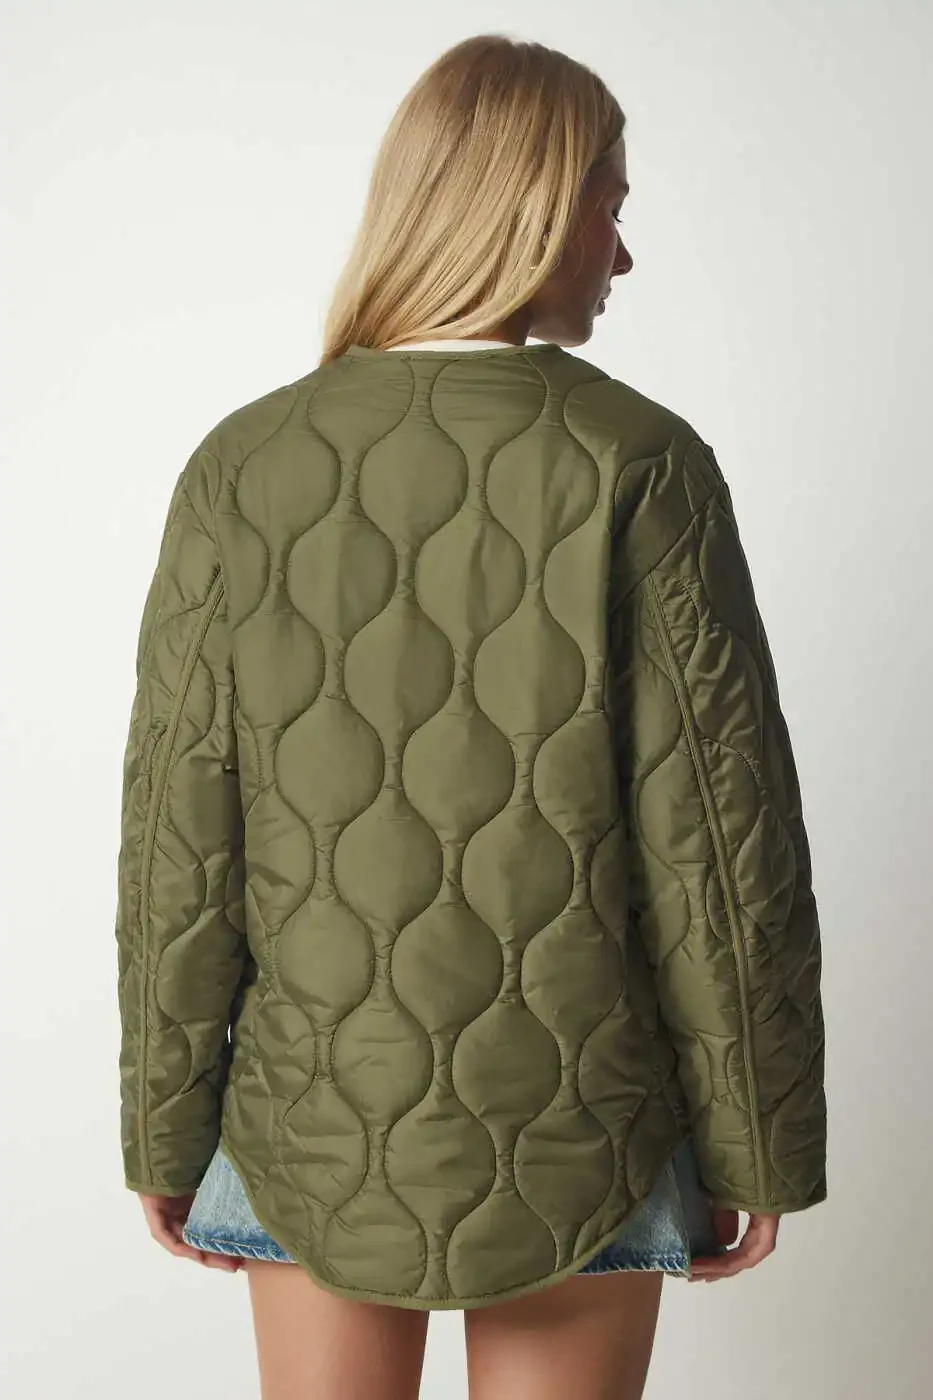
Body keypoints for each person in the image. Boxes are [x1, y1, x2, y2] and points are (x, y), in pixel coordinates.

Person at [115, 31, 828, 1400]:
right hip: (587, 1127)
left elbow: (177, 844)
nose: (623, 256)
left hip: (308, 1122)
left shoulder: (242, 466)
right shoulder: (640, 463)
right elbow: (720, 850)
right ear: (532, 209)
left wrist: (164, 1124)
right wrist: (758, 1138)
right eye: (611, 210)